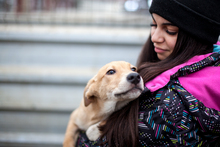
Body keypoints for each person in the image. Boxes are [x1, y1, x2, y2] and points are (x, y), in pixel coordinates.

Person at [75, 0, 220, 146]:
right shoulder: (213, 64)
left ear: (197, 37)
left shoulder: (166, 107)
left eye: (170, 31)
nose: (154, 38)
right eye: (153, 25)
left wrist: (78, 133)